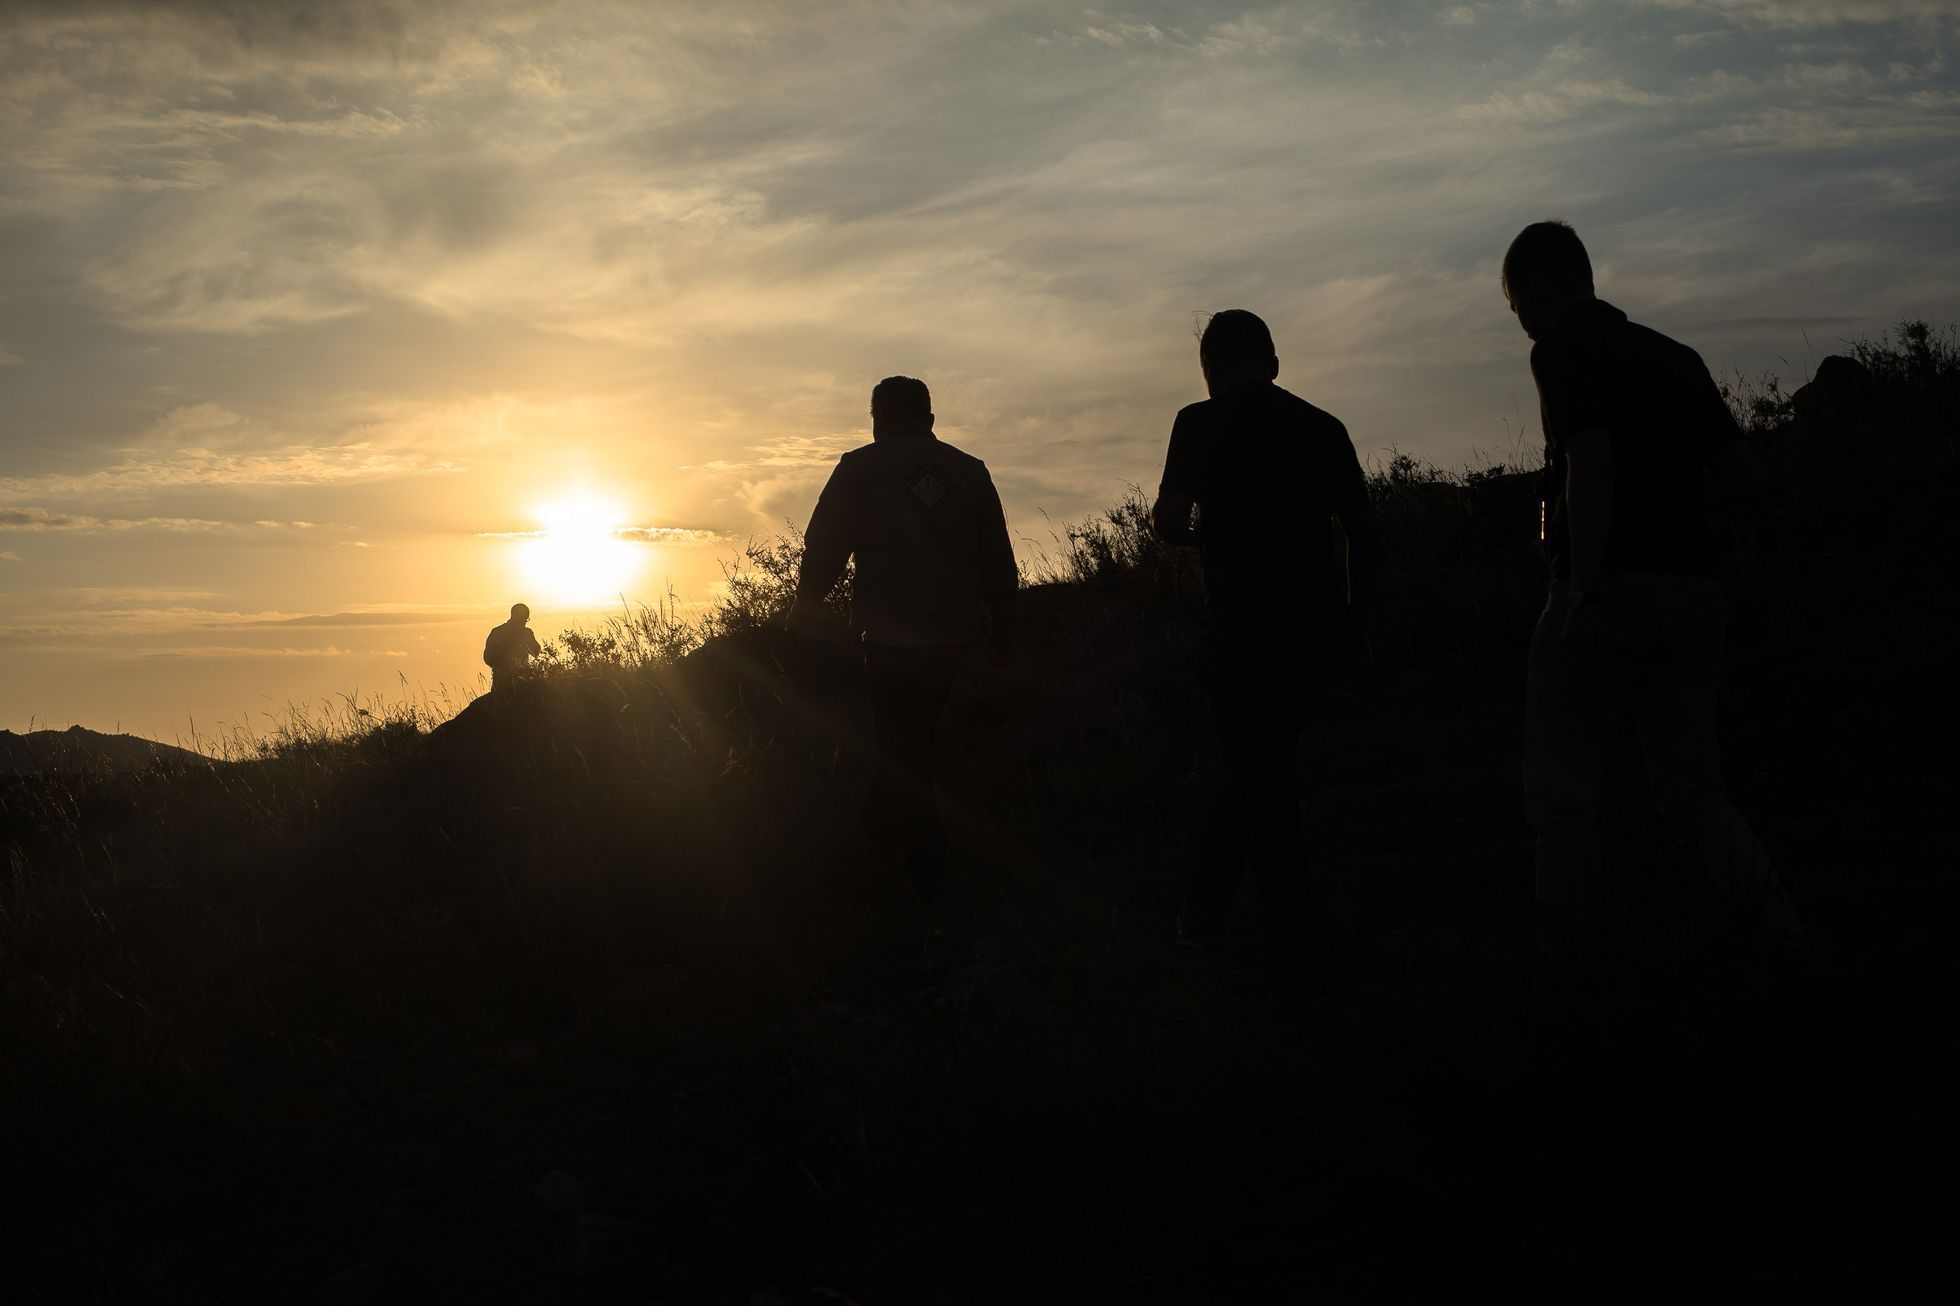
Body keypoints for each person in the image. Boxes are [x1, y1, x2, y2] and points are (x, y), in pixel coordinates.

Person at [1502, 219, 1807, 990]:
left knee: (1564, 799)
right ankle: (1785, 941)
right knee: (1695, 792)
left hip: (1606, 595)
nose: (1522, 323)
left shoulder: (1562, 352)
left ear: (1541, 286)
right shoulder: (1677, 357)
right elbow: (1745, 479)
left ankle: (1570, 974)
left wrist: (1581, 592)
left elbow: (1592, 460)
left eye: (1518, 304)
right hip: (1694, 594)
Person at [1150, 309, 1380, 976]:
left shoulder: (1197, 423)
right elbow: (1363, 534)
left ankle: (1266, 941)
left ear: (1211, 369)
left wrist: (1209, 536)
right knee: (1262, 771)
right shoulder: (1322, 427)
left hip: (1241, 631)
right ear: (1273, 362)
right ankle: (1216, 922)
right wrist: (1356, 621)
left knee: (1258, 776)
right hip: (1317, 634)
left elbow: (1167, 522)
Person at [787, 376, 1018, 898]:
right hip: (954, 638)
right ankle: (886, 844)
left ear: (876, 419)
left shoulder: (860, 469)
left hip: (887, 642)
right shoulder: (970, 471)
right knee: (908, 744)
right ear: (930, 421)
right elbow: (998, 559)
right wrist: (1005, 627)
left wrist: (803, 610)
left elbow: (824, 548)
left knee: (903, 751)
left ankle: (925, 875)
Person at [483, 602, 541, 693]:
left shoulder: (496, 632)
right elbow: (536, 652)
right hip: (521, 682)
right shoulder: (526, 633)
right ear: (522, 618)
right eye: (525, 619)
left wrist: (499, 667)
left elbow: (487, 658)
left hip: (499, 681)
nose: (525, 622)